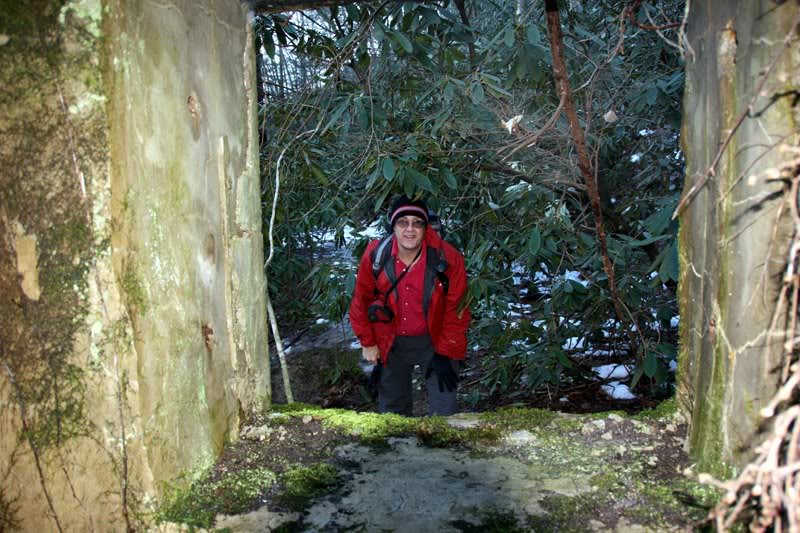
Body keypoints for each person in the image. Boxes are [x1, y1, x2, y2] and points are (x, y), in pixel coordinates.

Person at [349, 196, 470, 416]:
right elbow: (360, 301)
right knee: (393, 413)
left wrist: (446, 352)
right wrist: (368, 342)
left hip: (434, 342)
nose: (410, 229)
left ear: (426, 228)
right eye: (403, 222)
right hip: (391, 342)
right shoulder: (377, 255)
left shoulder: (448, 258)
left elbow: (457, 310)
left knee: (446, 412)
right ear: (393, 226)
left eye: (417, 223)